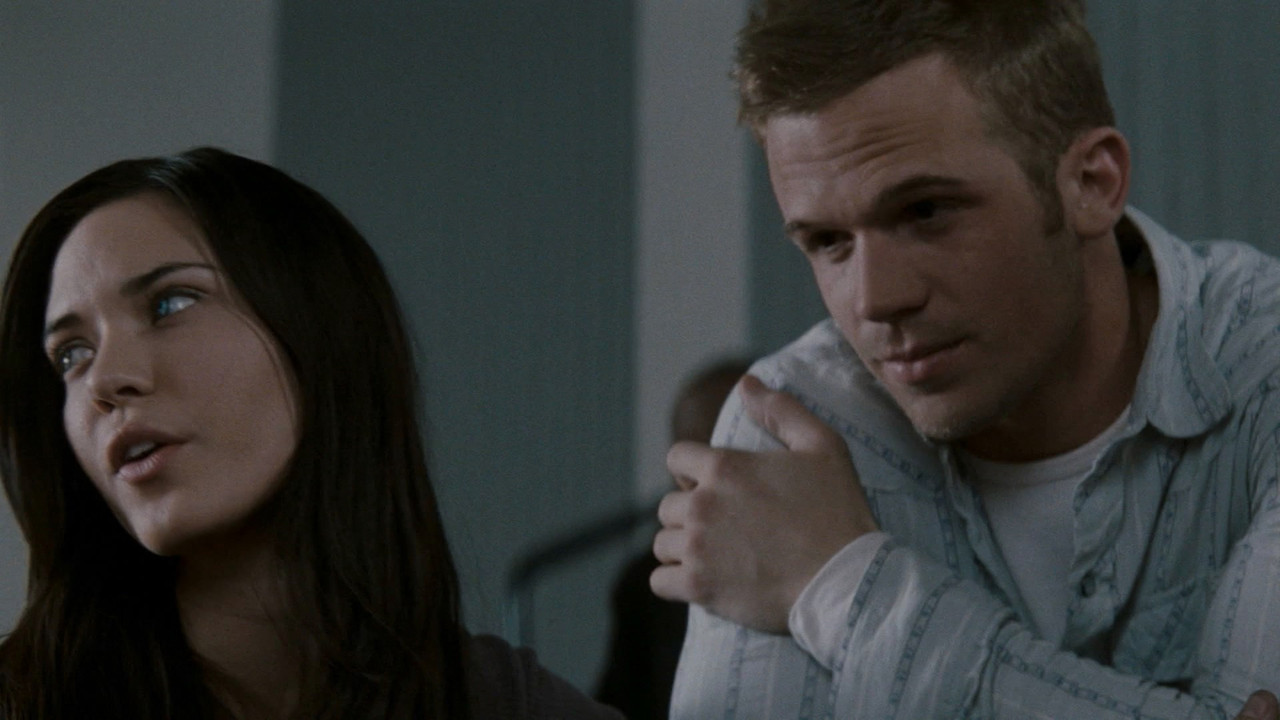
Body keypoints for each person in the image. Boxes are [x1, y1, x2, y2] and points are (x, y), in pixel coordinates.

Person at [650, 1, 1280, 718]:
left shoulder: (1263, 365)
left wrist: (848, 590)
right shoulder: (790, 430)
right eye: (828, 242)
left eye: (926, 212)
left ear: (1092, 184)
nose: (877, 299)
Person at [0, 147, 622, 719]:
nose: (106, 379)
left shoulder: (499, 703)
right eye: (71, 354)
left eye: (171, 303)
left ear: (320, 331)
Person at [594, 357, 750, 719]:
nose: (699, 473)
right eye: (688, 448)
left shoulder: (814, 562)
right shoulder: (644, 582)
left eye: (718, 442)